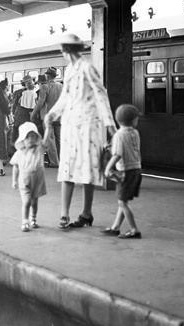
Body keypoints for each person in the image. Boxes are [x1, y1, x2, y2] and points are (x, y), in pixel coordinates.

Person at [43, 34, 116, 230]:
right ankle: (64, 214)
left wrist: (110, 124)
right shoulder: (69, 71)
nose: (62, 52)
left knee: (88, 169)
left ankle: (86, 213)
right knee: (67, 167)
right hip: (70, 124)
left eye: (62, 49)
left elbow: (101, 95)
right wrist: (52, 114)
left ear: (67, 50)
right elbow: (65, 97)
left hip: (89, 125)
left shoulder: (87, 67)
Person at [101, 104, 143, 239]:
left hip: (125, 171)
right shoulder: (135, 133)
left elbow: (117, 154)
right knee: (123, 201)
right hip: (136, 169)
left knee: (122, 203)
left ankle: (134, 229)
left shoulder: (119, 135)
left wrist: (108, 168)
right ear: (133, 120)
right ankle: (115, 227)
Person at [11, 122, 47, 232]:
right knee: (26, 201)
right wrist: (14, 180)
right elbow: (16, 167)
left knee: (34, 202)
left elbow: (45, 142)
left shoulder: (39, 150)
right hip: (24, 180)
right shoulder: (19, 153)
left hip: (37, 180)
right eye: (27, 137)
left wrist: (48, 127)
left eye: (32, 136)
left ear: (36, 137)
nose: (30, 139)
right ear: (22, 139)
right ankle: (25, 221)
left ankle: (33, 218)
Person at [32, 67, 62, 167]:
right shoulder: (61, 86)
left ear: (48, 76)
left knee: (50, 139)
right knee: (59, 139)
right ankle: (61, 160)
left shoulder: (45, 87)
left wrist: (33, 114)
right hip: (59, 116)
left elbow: (40, 102)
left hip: (47, 117)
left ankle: (54, 162)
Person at [11, 75, 37, 147]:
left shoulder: (17, 92)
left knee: (18, 132)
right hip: (27, 115)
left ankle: (17, 148)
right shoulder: (33, 92)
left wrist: (13, 115)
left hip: (19, 114)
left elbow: (14, 105)